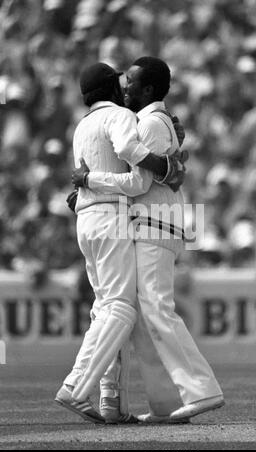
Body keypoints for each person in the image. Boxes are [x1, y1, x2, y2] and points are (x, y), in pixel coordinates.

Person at [72, 57, 224, 424]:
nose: (125, 89)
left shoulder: (153, 123)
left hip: (157, 223)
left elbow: (145, 178)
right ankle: (166, 403)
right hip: (151, 223)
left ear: (149, 90)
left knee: (156, 307)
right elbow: (165, 167)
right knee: (143, 315)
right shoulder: (152, 120)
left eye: (132, 84)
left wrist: (90, 182)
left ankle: (202, 391)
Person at [55, 62, 185, 424]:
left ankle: (112, 402)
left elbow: (82, 179)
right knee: (121, 309)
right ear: (113, 89)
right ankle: (76, 387)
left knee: (105, 309)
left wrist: (87, 183)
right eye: (122, 84)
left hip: (86, 223)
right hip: (112, 219)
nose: (127, 89)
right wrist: (167, 163)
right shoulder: (121, 118)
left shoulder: (81, 126)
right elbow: (138, 183)